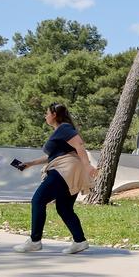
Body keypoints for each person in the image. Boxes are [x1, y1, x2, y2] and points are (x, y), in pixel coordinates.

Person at [12, 103, 98, 254]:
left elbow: (79, 145)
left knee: (38, 200)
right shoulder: (60, 131)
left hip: (65, 169)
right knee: (64, 208)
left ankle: (34, 241)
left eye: (46, 113)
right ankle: (80, 241)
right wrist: (29, 164)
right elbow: (51, 156)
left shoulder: (64, 128)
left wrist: (88, 165)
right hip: (68, 168)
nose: (45, 116)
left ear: (54, 114)